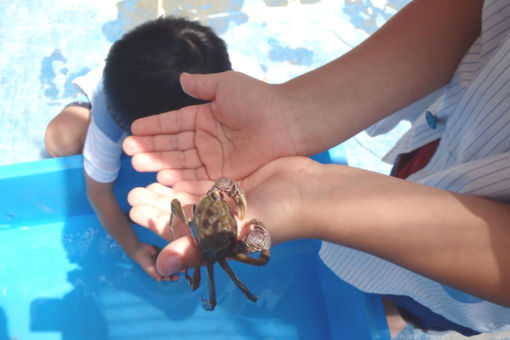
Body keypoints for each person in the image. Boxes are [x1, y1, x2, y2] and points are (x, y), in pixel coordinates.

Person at [122, 0, 510, 336]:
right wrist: (293, 111)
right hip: (451, 136)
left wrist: (311, 196)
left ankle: (406, 320)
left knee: (426, 306)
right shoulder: (230, 202)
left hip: (472, 283)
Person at [44, 16, 240, 281]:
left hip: (147, 95)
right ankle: (80, 108)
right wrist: (134, 247)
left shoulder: (235, 86)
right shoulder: (110, 117)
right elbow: (99, 193)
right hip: (113, 95)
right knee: (61, 140)